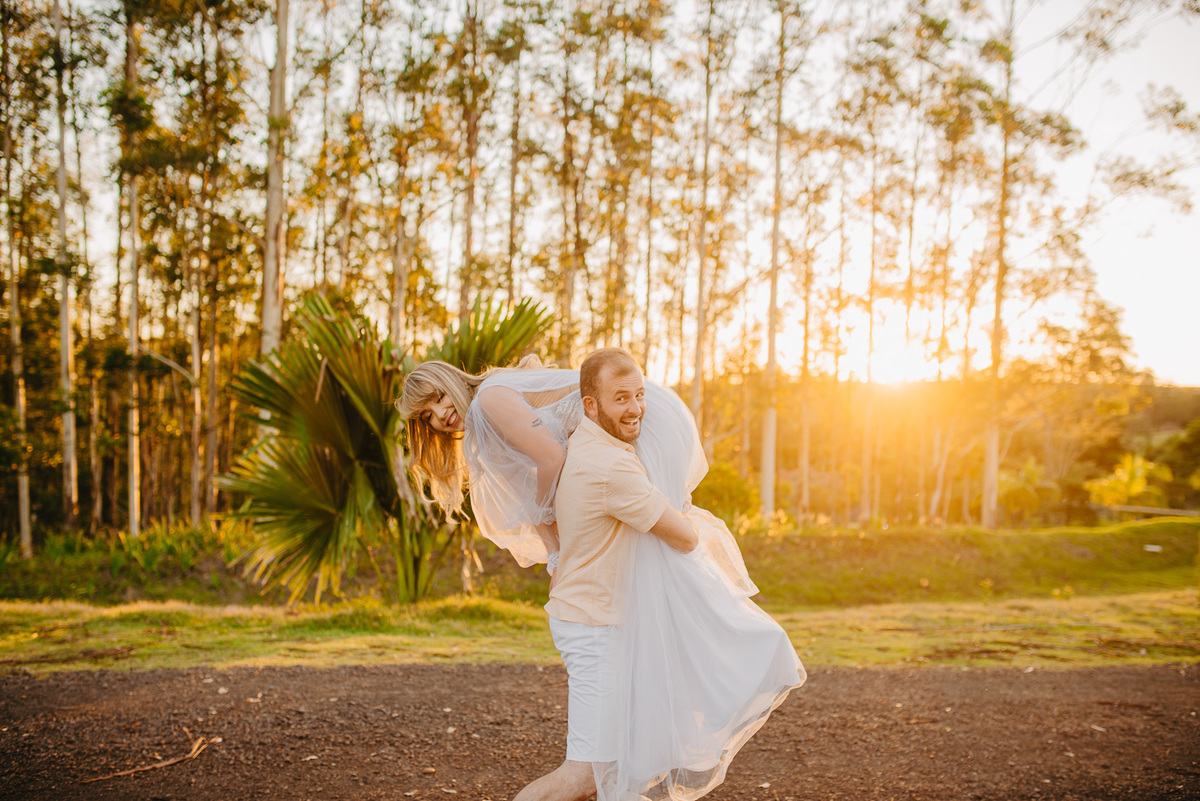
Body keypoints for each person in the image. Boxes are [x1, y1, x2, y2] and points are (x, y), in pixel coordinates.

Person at [398, 352, 804, 800]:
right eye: (426, 415)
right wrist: (558, 553)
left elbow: (552, 459)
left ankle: (703, 645)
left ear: (452, 382)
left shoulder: (489, 402)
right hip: (623, 434)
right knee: (593, 773)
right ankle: (706, 649)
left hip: (643, 420)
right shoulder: (497, 410)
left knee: (653, 550)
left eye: (437, 398)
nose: (440, 415)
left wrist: (561, 541)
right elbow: (540, 461)